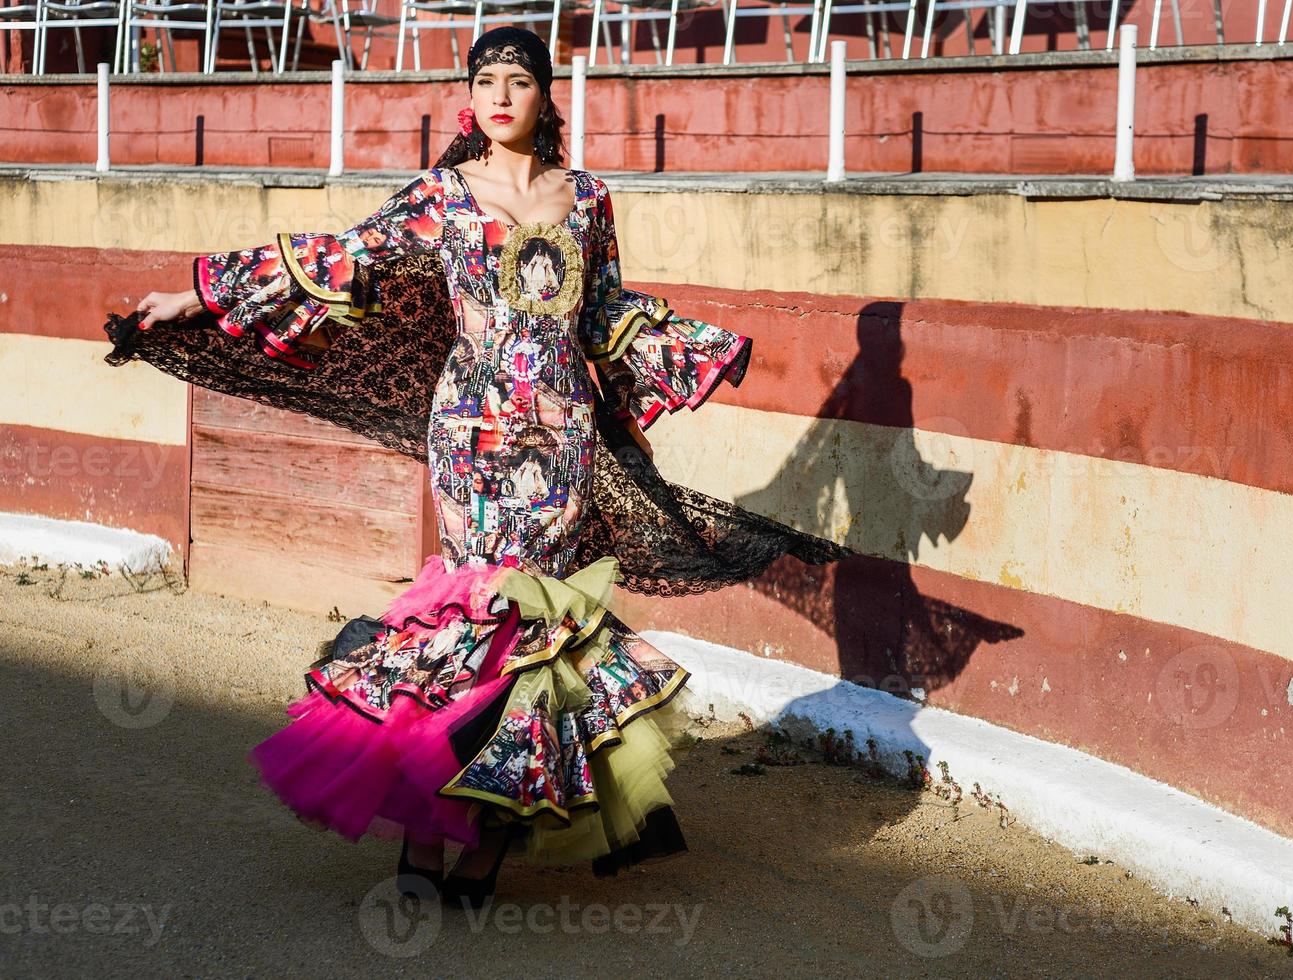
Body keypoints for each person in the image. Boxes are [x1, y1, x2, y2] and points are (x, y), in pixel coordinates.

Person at [109, 25, 847, 910]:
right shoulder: (439, 195)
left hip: (562, 432)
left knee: (535, 634)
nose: (500, 95)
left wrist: (629, 423)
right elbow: (336, 258)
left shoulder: (588, 199)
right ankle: (429, 833)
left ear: (545, 96)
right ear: (470, 95)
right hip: (469, 430)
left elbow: (602, 315)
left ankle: (484, 849)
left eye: (518, 81)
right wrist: (197, 294)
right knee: (470, 615)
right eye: (484, 80)